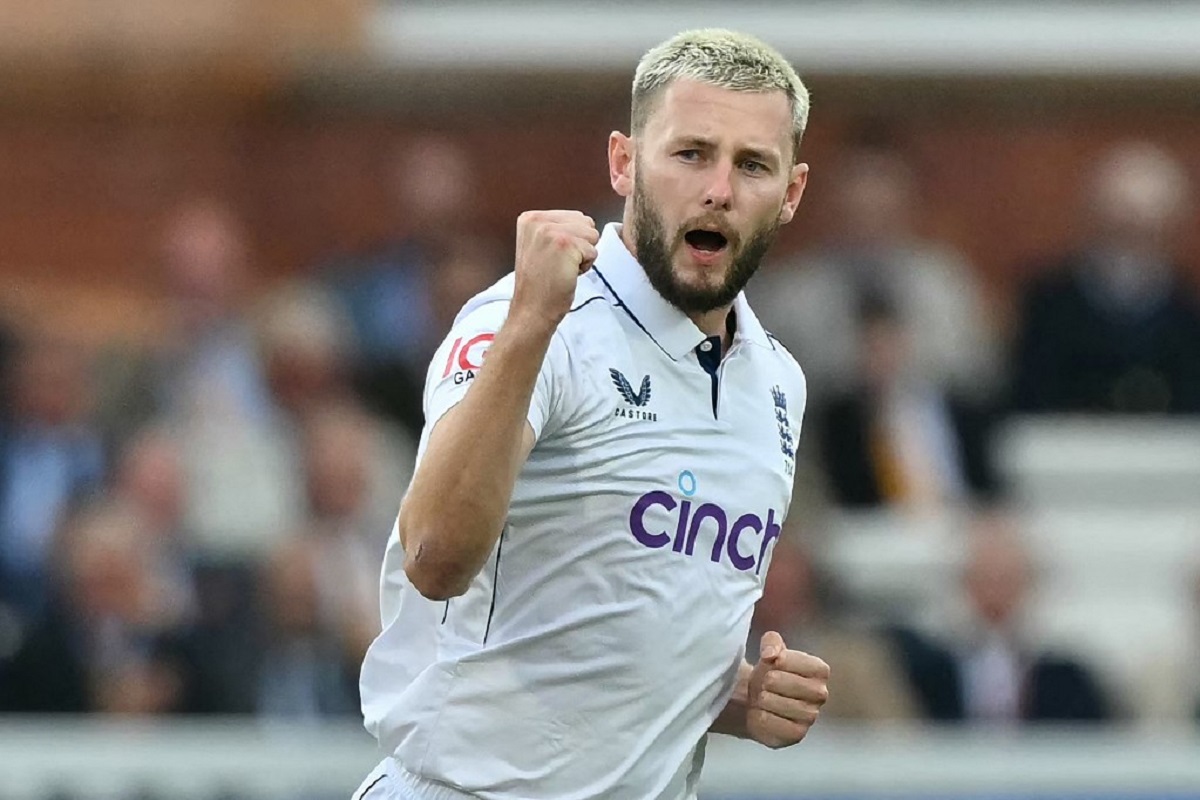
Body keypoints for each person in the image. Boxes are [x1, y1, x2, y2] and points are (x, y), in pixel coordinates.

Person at [355, 29, 831, 800]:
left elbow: (621, 618)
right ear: (623, 162)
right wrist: (530, 328)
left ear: (793, 192)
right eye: (690, 153)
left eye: (752, 165)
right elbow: (435, 558)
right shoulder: (529, 320)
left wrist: (737, 697)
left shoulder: (778, 380)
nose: (718, 188)